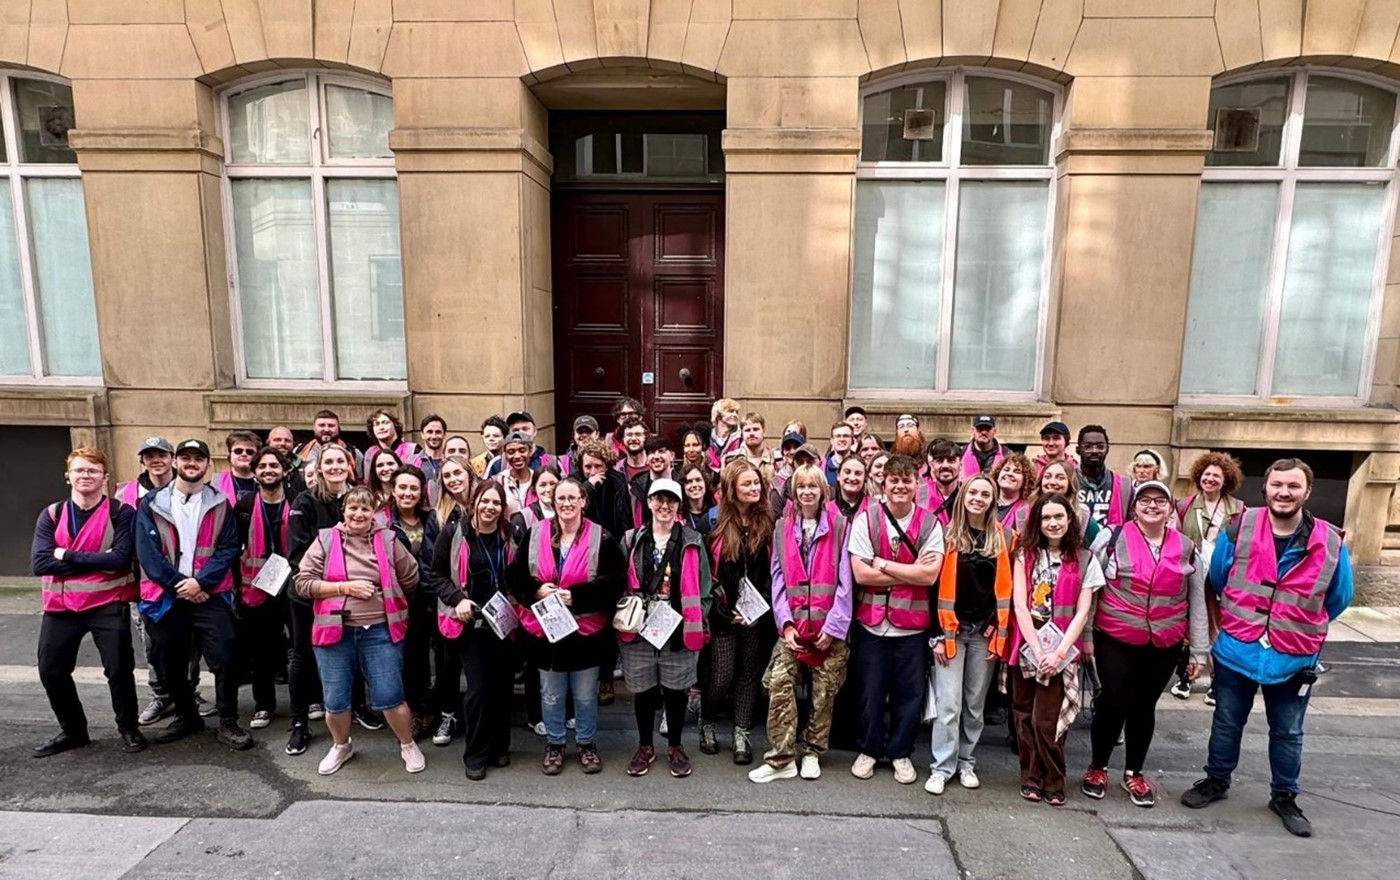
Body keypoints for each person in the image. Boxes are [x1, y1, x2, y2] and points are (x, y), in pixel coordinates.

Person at [1181, 458, 1353, 838]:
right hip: (1238, 647)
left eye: (1293, 486)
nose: (1284, 492)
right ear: (1266, 488)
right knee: (1226, 722)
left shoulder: (1331, 540)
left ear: (1307, 492)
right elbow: (1220, 579)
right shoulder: (1239, 527)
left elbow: (1340, 597)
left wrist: (1299, 622)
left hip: (1294, 655)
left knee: (1288, 731)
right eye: (1277, 485)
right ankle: (1216, 780)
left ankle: (1285, 796)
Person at [1079, 480, 1208, 808]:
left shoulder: (1187, 547)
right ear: (1134, 506)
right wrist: (1087, 636)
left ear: (1170, 509)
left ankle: (1134, 772)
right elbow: (1092, 586)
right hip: (1116, 636)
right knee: (1113, 701)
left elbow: (1197, 601)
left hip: (1164, 641)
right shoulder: (1113, 538)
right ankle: (1098, 767)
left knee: (1144, 706)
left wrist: (1199, 650)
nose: (1152, 505)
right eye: (1145, 500)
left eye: (1160, 501)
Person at [294, 486, 425, 776]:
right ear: (344, 511)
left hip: (380, 630)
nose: (359, 513)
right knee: (336, 699)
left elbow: (411, 576)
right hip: (335, 633)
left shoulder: (389, 540)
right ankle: (342, 745)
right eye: (353, 507)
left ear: (374, 513)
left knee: (390, 695)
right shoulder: (325, 540)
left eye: (365, 508)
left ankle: (407, 744)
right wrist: (344, 588)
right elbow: (303, 583)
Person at [135, 439, 251, 751]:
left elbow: (228, 548)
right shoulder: (151, 503)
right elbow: (148, 554)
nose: (191, 464)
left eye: (198, 459)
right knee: (169, 663)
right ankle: (188, 715)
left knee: (225, 659)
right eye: (185, 458)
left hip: (209, 595)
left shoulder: (220, 503)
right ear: (175, 462)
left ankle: (228, 720)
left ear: (207, 465)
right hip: (167, 597)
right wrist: (180, 585)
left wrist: (200, 583)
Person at [31, 447, 144, 757]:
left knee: (119, 670)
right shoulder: (52, 514)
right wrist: (98, 561)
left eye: (93, 471)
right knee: (51, 671)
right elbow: (39, 563)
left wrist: (65, 554)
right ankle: (74, 731)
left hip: (108, 603)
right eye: (79, 470)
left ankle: (128, 727)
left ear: (105, 478)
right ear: (68, 476)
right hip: (61, 607)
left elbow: (121, 559)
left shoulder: (121, 513)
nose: (86, 476)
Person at [509, 476, 624, 775]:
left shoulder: (603, 538)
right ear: (552, 500)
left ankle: (586, 744)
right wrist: (535, 590)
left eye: (573, 497)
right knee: (551, 693)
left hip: (587, 634)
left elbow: (615, 584)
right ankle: (555, 744)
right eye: (561, 498)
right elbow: (515, 575)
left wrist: (578, 597)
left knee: (585, 694)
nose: (567, 503)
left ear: (583, 501)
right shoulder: (535, 533)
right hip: (546, 633)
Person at [749, 464, 853, 783]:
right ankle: (782, 757)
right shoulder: (782, 528)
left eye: (813, 486)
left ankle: (811, 751)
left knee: (824, 693)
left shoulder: (840, 525)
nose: (807, 492)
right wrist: (786, 625)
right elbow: (777, 579)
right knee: (778, 682)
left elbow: (846, 582)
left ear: (823, 490)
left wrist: (834, 627)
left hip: (827, 629)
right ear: (793, 492)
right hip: (794, 628)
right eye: (801, 486)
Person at [847, 454, 944, 785]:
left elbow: (930, 576)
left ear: (917, 484)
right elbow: (860, 574)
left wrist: (883, 564)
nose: (900, 486)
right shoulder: (866, 520)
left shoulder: (931, 524)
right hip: (872, 622)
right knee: (870, 692)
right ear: (882, 483)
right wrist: (910, 572)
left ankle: (901, 751)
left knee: (909, 693)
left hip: (912, 625)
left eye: (907, 480)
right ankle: (869, 749)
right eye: (894, 480)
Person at [1009, 493, 1101, 806]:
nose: (1052, 523)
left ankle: (1054, 779)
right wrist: (1036, 650)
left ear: (1069, 520)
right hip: (1028, 647)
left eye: (1058, 517)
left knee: (1046, 721)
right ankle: (1030, 778)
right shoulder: (1025, 554)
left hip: (1061, 653)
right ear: (1038, 522)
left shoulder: (1085, 558)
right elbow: (1020, 605)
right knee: (1023, 715)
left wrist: (1058, 654)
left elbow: (1082, 612)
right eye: (1046, 518)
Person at [925, 474, 1015, 795]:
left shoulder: (1005, 538)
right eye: (973, 492)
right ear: (963, 496)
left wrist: (995, 623)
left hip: (984, 633)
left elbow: (1008, 589)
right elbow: (932, 588)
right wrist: (935, 635)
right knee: (949, 703)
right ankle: (942, 767)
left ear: (993, 500)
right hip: (951, 631)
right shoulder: (945, 534)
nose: (978, 498)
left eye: (985, 494)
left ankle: (966, 761)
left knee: (974, 704)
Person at [619, 478, 712, 778]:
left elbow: (705, 589)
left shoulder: (693, 541)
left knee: (676, 692)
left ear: (678, 505)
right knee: (643, 692)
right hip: (640, 630)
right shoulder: (631, 540)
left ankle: (675, 745)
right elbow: (620, 582)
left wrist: (696, 618)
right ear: (648, 503)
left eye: (671, 500)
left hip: (679, 629)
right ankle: (645, 745)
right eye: (658, 499)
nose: (664, 505)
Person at [429, 481, 515, 779]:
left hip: (504, 622)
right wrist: (458, 599)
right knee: (478, 688)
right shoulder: (453, 533)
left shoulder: (511, 534)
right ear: (474, 501)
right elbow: (435, 574)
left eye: (496, 503)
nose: (490, 507)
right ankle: (476, 753)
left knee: (503, 687)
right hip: (470, 623)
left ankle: (499, 746)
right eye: (485, 501)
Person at [118, 437, 199, 727]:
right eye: (150, 456)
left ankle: (189, 694)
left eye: (162, 455)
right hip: (148, 586)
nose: (157, 460)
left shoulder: (187, 490)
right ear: (142, 460)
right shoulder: (126, 494)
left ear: (172, 459)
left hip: (186, 584)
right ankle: (161, 695)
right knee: (153, 646)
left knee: (187, 645)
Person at [700, 460, 776, 764]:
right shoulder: (713, 524)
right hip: (723, 613)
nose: (754, 488)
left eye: (756, 483)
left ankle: (741, 731)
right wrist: (718, 609)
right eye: (747, 484)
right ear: (732, 489)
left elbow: (776, 572)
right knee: (721, 675)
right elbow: (703, 573)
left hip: (757, 613)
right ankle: (707, 720)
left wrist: (763, 608)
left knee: (748, 674)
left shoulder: (769, 522)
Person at [283, 445, 355, 756]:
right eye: (329, 462)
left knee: (349, 652)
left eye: (341, 461)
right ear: (320, 467)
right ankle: (299, 722)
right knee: (303, 655)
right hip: (310, 593)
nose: (336, 466)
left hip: (350, 593)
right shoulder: (305, 500)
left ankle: (351, 710)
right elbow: (298, 553)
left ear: (349, 466)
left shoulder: (358, 497)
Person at [1169, 452, 1246, 704]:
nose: (1210, 479)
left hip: (1223, 577)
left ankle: (1217, 680)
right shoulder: (1184, 505)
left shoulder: (1239, 509)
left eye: (1216, 475)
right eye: (1206, 474)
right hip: (1193, 574)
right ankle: (1185, 677)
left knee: (1220, 629)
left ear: (1226, 480)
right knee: (1190, 626)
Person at [233, 446, 292, 732]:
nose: (269, 470)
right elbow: (234, 549)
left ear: (284, 470)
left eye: (274, 465)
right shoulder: (243, 507)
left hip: (295, 586)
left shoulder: (298, 500)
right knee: (261, 652)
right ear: (254, 473)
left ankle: (311, 700)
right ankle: (264, 705)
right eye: (263, 466)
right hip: (256, 587)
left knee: (304, 648)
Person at [385, 465, 440, 739]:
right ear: (393, 490)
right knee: (408, 658)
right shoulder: (382, 522)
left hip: (429, 597)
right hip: (398, 601)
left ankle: (432, 706)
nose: (408, 493)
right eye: (402, 487)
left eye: (413, 488)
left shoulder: (432, 518)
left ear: (422, 493)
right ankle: (412, 712)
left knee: (432, 656)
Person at [427, 455, 479, 745]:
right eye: (447, 475)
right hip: (451, 600)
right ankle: (448, 714)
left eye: (457, 472)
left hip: (483, 601)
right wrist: (455, 597)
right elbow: (435, 569)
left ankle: (480, 719)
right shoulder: (440, 516)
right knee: (448, 665)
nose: (453, 479)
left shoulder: (488, 500)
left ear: (469, 472)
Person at [577, 440, 635, 543]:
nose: (593, 472)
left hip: (611, 543)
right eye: (588, 467)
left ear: (606, 466)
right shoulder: (573, 482)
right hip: (582, 542)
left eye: (598, 466)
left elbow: (625, 520)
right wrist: (588, 486)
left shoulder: (617, 483)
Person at [1076, 425, 1132, 527]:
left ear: (1107, 449)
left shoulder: (1124, 485)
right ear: (1078, 450)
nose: (1094, 451)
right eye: (1088, 446)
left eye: (1100, 446)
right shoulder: (1066, 481)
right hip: (1075, 542)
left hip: (1113, 541)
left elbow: (1132, 525)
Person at [295, 410, 361, 480]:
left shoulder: (354, 453)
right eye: (322, 425)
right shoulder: (299, 450)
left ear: (338, 428)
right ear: (314, 428)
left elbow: (360, 483)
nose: (326, 429)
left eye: (331, 426)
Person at [485, 411, 554, 477]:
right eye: (515, 430)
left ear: (535, 431)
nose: (521, 433)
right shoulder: (498, 464)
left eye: (525, 429)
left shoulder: (551, 462)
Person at [630, 436, 675, 528]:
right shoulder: (636, 488)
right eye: (651, 452)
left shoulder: (683, 483)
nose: (656, 456)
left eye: (661, 451)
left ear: (672, 456)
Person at [919, 439, 962, 524]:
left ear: (960, 465)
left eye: (951, 460)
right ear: (932, 465)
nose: (945, 465)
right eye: (939, 461)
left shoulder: (970, 493)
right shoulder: (918, 494)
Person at [496, 431, 540, 513]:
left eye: (522, 450)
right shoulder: (498, 481)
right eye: (511, 452)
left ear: (530, 451)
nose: (517, 456)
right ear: (505, 455)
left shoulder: (539, 480)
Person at [511, 465, 559, 534]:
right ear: (534, 488)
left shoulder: (569, 512)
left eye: (552, 484)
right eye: (543, 485)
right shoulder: (523, 519)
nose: (548, 489)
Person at [215, 430, 261, 502]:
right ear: (230, 455)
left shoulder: (266, 481)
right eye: (238, 451)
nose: (244, 454)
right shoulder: (215, 482)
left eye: (249, 451)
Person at [992, 453, 1035, 530]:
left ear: (1025, 481)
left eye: (1017, 471)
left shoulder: (1027, 510)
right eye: (1006, 469)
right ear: (998, 475)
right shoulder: (986, 503)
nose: (1009, 474)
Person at [831, 454, 869, 527]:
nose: (852, 478)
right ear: (838, 475)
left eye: (858, 473)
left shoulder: (875, 508)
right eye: (847, 472)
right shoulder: (826, 510)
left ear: (865, 478)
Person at [678, 462, 716, 535]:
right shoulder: (679, 517)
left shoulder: (716, 512)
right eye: (689, 482)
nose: (694, 485)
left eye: (698, 480)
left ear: (705, 483)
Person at [706, 398, 743, 468]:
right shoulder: (707, 436)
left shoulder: (741, 437)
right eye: (730, 411)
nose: (735, 415)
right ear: (718, 415)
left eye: (736, 412)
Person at [615, 416, 650, 481]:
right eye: (629, 435)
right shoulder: (617, 469)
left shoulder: (654, 466)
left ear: (646, 438)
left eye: (638, 434)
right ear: (623, 439)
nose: (633, 438)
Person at [823, 421, 856, 488]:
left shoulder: (860, 466)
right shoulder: (822, 467)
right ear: (832, 440)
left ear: (852, 440)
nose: (842, 439)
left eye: (846, 436)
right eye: (838, 436)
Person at [417, 414, 448, 484]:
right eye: (429, 432)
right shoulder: (413, 461)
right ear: (422, 434)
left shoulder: (450, 461)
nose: (434, 436)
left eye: (438, 432)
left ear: (444, 434)